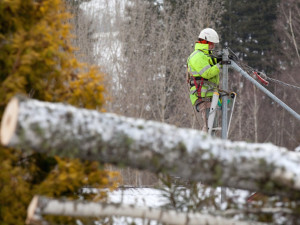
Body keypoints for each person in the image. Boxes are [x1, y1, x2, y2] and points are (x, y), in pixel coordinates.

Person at [186, 28, 222, 132]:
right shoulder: (197, 56)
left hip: (208, 95)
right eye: (212, 43)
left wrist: (220, 60)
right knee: (209, 128)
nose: (213, 46)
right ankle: (201, 147)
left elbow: (211, 62)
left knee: (211, 127)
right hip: (202, 96)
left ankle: (205, 146)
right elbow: (207, 73)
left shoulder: (204, 56)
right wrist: (220, 65)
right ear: (207, 42)